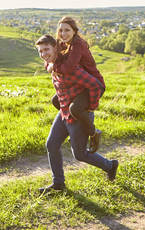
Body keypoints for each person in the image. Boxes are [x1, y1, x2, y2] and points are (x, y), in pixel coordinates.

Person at [35, 34, 118, 193]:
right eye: (40, 51)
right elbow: (50, 67)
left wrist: (91, 108)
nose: (43, 54)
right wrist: (49, 66)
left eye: (46, 49)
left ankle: (110, 165)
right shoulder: (52, 65)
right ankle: (58, 183)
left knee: (79, 155)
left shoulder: (69, 68)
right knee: (51, 144)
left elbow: (95, 85)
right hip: (65, 112)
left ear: (55, 47)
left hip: (80, 115)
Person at [47, 16, 105, 154]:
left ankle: (93, 133)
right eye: (60, 30)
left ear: (74, 31)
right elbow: (49, 55)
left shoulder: (78, 45)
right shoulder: (63, 44)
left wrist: (54, 68)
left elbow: (69, 68)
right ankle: (74, 130)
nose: (63, 34)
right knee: (56, 101)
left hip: (94, 84)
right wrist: (50, 64)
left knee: (75, 108)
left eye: (67, 30)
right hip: (79, 84)